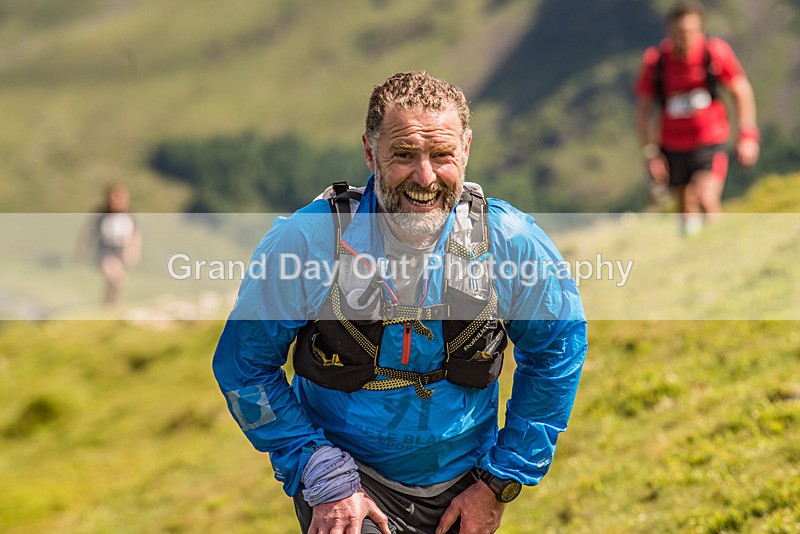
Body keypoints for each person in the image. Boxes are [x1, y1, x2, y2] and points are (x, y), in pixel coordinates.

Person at [213, 71, 587, 534]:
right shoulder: (306, 242)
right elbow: (243, 367)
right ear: (370, 152)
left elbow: (558, 350)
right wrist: (317, 467)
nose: (425, 177)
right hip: (350, 484)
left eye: (442, 155)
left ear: (466, 149)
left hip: (465, 484)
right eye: (404, 155)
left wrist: (500, 480)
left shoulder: (508, 241)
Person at [634, 0, 759, 235]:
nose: (686, 38)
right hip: (672, 146)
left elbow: (740, 90)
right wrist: (651, 154)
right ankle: (695, 255)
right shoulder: (656, 62)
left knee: (705, 198)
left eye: (691, 32)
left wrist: (748, 135)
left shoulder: (714, 54)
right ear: (669, 32)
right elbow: (643, 110)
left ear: (701, 30)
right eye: (679, 33)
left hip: (710, 140)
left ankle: (722, 249)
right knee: (686, 208)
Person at [92, 184, 141, 307]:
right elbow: (93, 235)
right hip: (106, 252)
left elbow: (135, 235)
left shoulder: (129, 217)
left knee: (118, 282)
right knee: (116, 278)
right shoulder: (103, 217)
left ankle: (110, 307)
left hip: (120, 252)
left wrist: (132, 252)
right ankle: (109, 307)